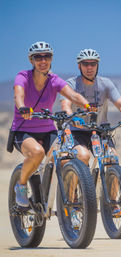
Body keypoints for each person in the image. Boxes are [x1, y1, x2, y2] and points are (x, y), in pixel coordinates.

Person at [12, 42, 91, 208]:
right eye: (38, 57)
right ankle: (21, 185)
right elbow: (19, 95)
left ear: (51, 59)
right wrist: (23, 108)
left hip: (48, 131)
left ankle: (70, 198)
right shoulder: (23, 76)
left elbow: (73, 95)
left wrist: (87, 105)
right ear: (31, 60)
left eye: (46, 56)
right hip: (23, 131)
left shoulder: (54, 80)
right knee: (37, 152)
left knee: (65, 157)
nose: (43, 60)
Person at [60, 48, 121, 217]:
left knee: (111, 158)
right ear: (79, 66)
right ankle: (73, 201)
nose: (89, 67)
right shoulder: (72, 84)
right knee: (82, 156)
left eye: (93, 64)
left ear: (97, 65)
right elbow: (65, 105)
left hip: (100, 130)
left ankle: (114, 202)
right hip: (77, 131)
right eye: (86, 64)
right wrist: (72, 117)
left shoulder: (105, 84)